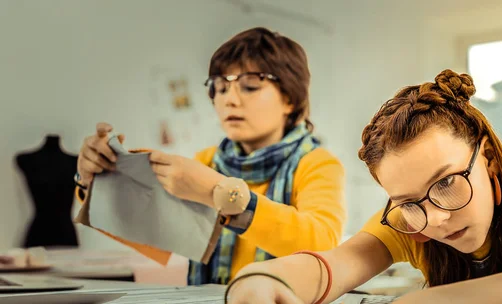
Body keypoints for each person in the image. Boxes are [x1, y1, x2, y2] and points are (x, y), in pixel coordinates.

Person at [222, 69, 502, 304]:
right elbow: (332, 266)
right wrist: (261, 278)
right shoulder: (409, 219)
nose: (434, 218)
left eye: (447, 183)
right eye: (406, 202)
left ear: (488, 159)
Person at [74, 27, 346, 285]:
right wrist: (96, 178)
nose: (230, 99)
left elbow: (323, 245)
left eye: (250, 86)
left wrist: (221, 193)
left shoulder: (316, 163)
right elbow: (150, 228)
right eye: (221, 87)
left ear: (290, 99)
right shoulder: (207, 161)